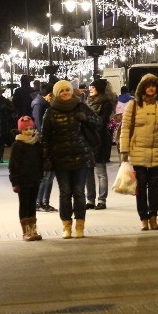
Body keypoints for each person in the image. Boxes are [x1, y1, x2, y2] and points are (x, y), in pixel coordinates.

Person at [41, 79, 100, 239]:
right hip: (60, 158)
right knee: (65, 193)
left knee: (79, 192)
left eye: (67, 90)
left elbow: (98, 122)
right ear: (56, 94)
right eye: (61, 91)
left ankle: (80, 225)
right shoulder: (51, 112)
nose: (65, 93)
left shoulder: (81, 107)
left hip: (81, 156)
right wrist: (46, 157)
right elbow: (45, 137)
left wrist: (86, 118)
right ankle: (66, 226)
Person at [119, 73, 158, 231]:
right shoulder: (134, 105)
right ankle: (143, 217)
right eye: (148, 85)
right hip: (138, 151)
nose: (151, 88)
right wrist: (124, 150)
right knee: (141, 186)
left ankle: (153, 217)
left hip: (157, 150)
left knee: (154, 186)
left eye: (153, 85)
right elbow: (125, 128)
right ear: (142, 88)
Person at [9, 116, 44, 241]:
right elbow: (13, 165)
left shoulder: (36, 144)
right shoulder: (18, 145)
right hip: (23, 181)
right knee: (24, 204)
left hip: (35, 179)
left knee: (32, 204)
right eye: (26, 129)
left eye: (31, 128)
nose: (29, 131)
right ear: (20, 131)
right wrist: (15, 182)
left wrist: (42, 173)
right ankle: (26, 231)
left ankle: (33, 228)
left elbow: (41, 161)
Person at [85, 78, 117, 210]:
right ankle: (90, 200)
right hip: (87, 139)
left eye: (93, 87)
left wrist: (88, 120)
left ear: (99, 89)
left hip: (100, 140)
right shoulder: (87, 102)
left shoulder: (106, 103)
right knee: (88, 172)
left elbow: (101, 122)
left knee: (100, 171)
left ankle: (102, 200)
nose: (90, 89)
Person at [33, 83, 57, 212]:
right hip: (45, 144)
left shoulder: (45, 104)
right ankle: (39, 202)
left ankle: (45, 202)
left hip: (50, 143)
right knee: (45, 175)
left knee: (50, 175)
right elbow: (39, 125)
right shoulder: (39, 105)